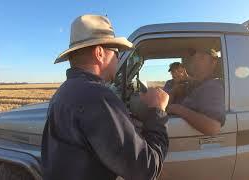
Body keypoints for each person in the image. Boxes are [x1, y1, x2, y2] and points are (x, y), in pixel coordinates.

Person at [41, 14, 170, 180]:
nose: (117, 58)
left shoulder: (64, 91)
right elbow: (146, 169)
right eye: (116, 52)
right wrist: (158, 110)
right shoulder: (98, 97)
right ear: (99, 53)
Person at [167, 49, 225, 136]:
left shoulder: (213, 86)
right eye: (194, 59)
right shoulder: (197, 83)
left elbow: (213, 127)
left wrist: (177, 108)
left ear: (213, 63)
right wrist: (175, 90)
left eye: (201, 58)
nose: (195, 63)